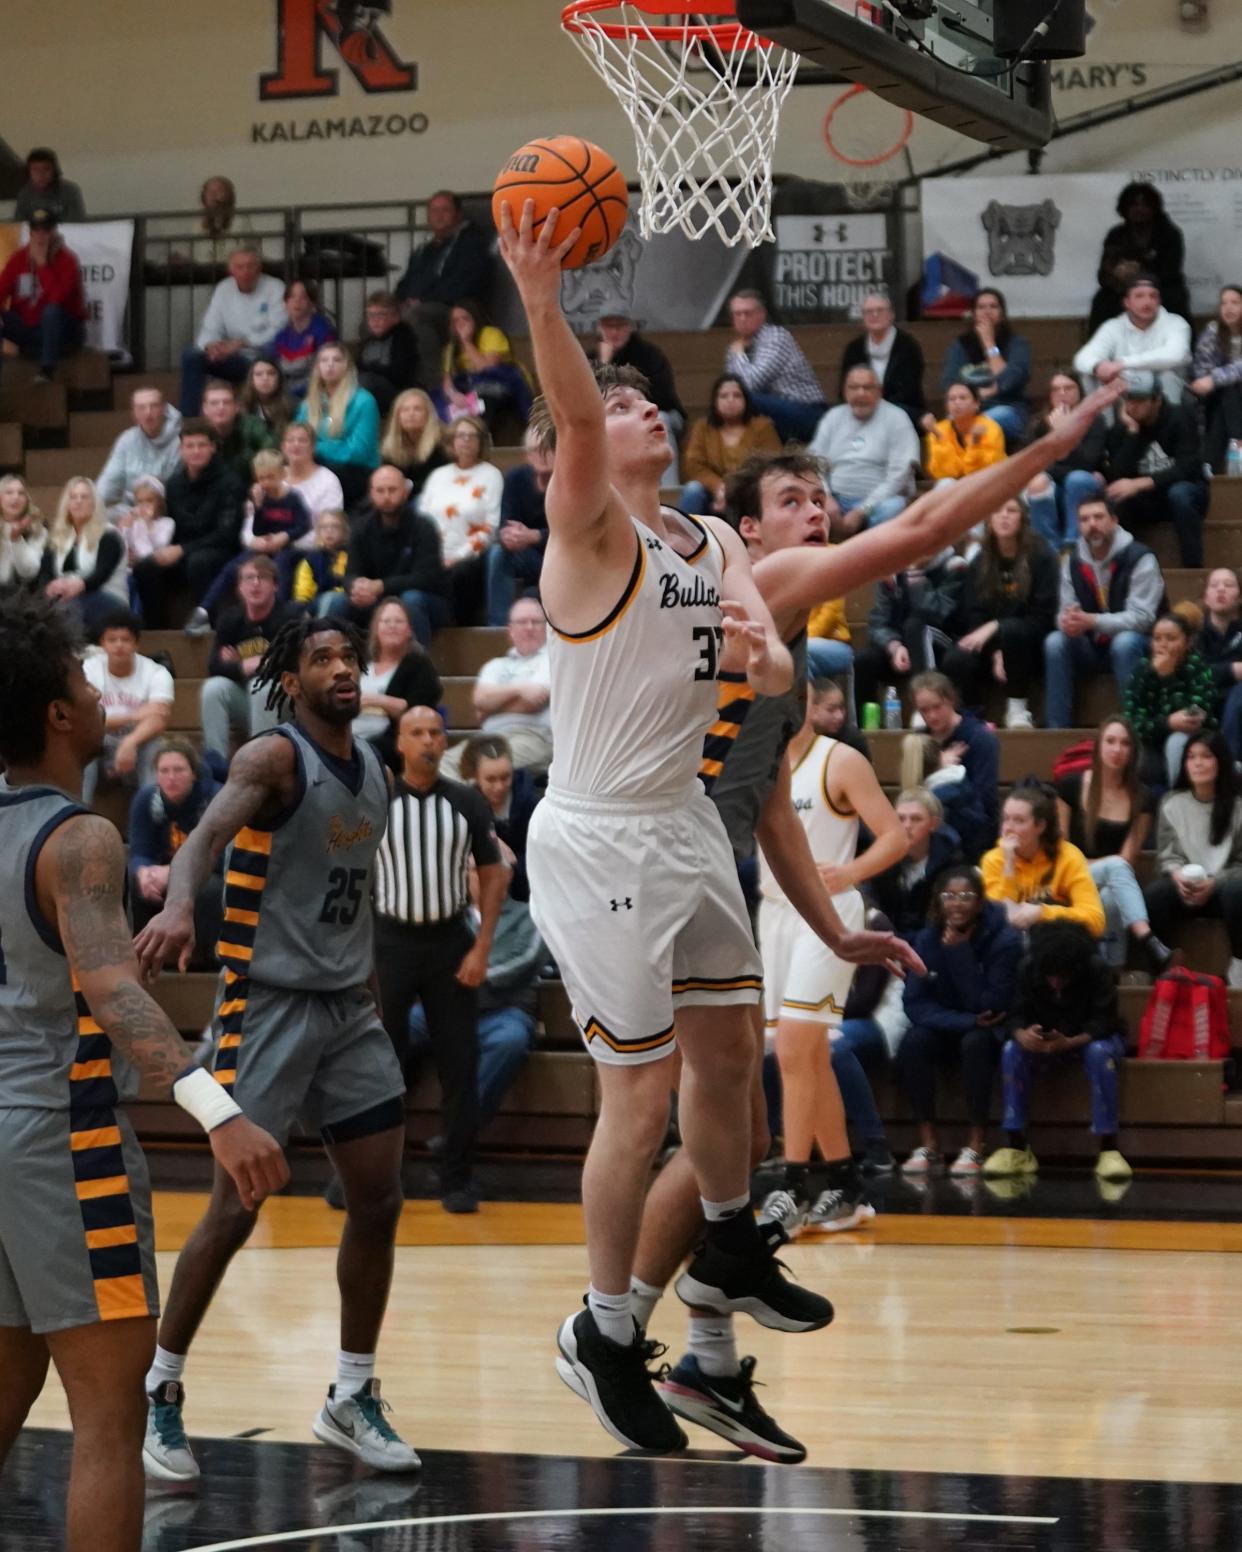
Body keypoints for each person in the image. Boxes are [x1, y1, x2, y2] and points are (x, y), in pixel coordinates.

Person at [636, 423, 1120, 1449]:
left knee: (736, 1138)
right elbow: (926, 521)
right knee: (675, 1126)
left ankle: (705, 1361)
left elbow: (767, 808)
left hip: (702, 875)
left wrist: (838, 931)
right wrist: (1052, 442)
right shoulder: (766, 587)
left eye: (822, 494)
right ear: (753, 530)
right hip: (639, 866)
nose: (816, 509)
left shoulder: (799, 646)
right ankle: (611, 1331)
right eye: (794, 498)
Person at [499, 200, 827, 1459]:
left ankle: (732, 1244)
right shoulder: (586, 532)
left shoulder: (716, 532)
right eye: (616, 405)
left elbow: (778, 663)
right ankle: (597, 1330)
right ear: (562, 461)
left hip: (684, 819)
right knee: (636, 1102)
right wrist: (541, 296)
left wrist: (767, 649)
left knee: (732, 1053)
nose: (637, 408)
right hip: (598, 838)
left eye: (648, 400)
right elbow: (577, 412)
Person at [0, 594, 284, 1552]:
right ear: (55, 714)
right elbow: (114, 993)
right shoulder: (79, 837)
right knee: (111, 1423)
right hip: (62, 1143)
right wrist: (219, 1109)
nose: (97, 697)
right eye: (83, 683)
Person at [136, 617, 421, 1482]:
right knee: (236, 1205)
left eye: (349, 657)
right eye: (322, 659)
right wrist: (181, 905)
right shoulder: (275, 758)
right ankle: (159, 1389)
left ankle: (350, 1393)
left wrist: (365, 976)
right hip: (265, 1006)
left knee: (379, 1197)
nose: (342, 669)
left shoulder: (373, 766)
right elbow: (205, 842)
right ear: (290, 681)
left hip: (346, 1006)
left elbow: (349, 891)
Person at [756, 681, 907, 1236]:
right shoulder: (760, 763)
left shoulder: (838, 760)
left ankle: (794, 1185)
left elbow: (894, 837)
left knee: (796, 1045)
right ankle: (844, 1184)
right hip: (773, 914)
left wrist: (851, 872)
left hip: (827, 914)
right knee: (806, 1054)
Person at [371, 706, 508, 1212]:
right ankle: (374, 1178)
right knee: (380, 1066)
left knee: (461, 1064)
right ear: (400, 744)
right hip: (390, 944)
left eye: (435, 733)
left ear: (445, 743)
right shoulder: (378, 800)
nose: (428, 740)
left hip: (451, 943)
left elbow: (495, 875)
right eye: (418, 733)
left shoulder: (467, 800)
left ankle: (456, 1178)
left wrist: (482, 946)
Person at [898, 864, 1022, 1176]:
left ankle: (976, 1144)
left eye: (966, 896)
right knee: (913, 1042)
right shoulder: (926, 939)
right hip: (952, 1025)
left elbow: (990, 1005)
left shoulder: (1004, 940)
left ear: (980, 902)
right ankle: (929, 1144)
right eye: (949, 896)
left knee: (976, 1044)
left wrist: (960, 953)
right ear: (939, 901)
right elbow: (914, 1003)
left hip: (989, 1034)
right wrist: (965, 1021)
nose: (957, 903)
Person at [984, 921, 1132, 1182]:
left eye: (1063, 977)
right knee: (1010, 1050)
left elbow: (1106, 1021)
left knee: (1100, 1053)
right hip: (1044, 1040)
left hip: (1089, 1039)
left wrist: (1070, 1042)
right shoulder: (1027, 969)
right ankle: (1016, 1145)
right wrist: (1022, 1034)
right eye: (1050, 976)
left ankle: (1109, 1147)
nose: (1056, 983)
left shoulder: (1097, 969)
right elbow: (1014, 1015)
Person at [409, 879, 545, 1135]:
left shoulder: (528, 915)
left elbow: (526, 960)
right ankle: (380, 1128)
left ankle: (459, 1132)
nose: (480, 875)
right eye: (473, 869)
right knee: (397, 1027)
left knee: (510, 1040)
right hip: (445, 1011)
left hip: (503, 1012)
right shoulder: (447, 918)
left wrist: (473, 976)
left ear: (504, 877)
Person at [1055, 715, 1167, 973]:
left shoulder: (1143, 797)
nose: (1117, 750)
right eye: (1111, 741)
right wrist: (1102, 865)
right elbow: (1061, 851)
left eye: (1125, 743)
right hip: (1071, 877)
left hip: (1114, 884)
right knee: (1115, 866)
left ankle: (1109, 969)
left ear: (1133, 751)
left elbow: (1128, 859)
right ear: (1099, 746)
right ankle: (1146, 938)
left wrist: (1104, 867)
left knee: (1110, 895)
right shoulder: (1071, 786)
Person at [1042, 494, 1164, 730]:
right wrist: (1067, 622)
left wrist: (1092, 621)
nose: (1092, 524)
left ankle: (1136, 727)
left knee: (1125, 643)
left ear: (1114, 521)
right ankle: (1056, 728)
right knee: (1055, 641)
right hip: (1090, 645)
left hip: (1140, 644)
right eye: (1084, 519)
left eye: (1098, 517)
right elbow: (1063, 610)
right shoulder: (1072, 560)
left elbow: (1142, 618)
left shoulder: (1140, 557)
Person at [941, 498, 1059, 728]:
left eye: (1011, 510)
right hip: (995, 647)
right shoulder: (981, 561)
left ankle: (1017, 710)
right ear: (989, 520)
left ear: (1022, 518)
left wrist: (997, 627)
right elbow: (973, 615)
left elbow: (1043, 617)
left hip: (1032, 646)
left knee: (1014, 630)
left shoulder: (1041, 556)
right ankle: (974, 718)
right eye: (997, 510)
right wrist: (996, 650)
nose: (1004, 516)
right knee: (956, 658)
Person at [1144, 731, 1242, 986]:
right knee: (1155, 894)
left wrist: (1215, 882)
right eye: (1191, 757)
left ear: (1220, 762)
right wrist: (1177, 875)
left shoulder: (1238, 806)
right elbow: (1167, 855)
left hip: (1223, 890)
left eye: (1206, 756)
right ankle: (1162, 966)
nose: (1197, 763)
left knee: (1237, 892)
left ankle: (1239, 966)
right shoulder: (1171, 802)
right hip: (1186, 888)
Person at [131, 419, 245, 630]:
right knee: (146, 567)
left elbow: (226, 534)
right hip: (182, 553)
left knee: (199, 562)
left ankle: (210, 624)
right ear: (181, 449)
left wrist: (183, 549)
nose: (196, 451)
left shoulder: (230, 482)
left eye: (201, 445)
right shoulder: (174, 485)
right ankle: (157, 631)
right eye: (190, 446)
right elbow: (167, 525)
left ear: (212, 447)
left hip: (220, 552)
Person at [188, 448, 311, 629]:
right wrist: (259, 508)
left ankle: (278, 616)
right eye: (261, 478)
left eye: (271, 477)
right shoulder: (259, 498)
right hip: (264, 546)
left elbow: (304, 525)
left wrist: (284, 537)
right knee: (234, 567)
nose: (266, 483)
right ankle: (204, 610)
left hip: (287, 547)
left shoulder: (293, 497)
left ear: (282, 474)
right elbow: (258, 528)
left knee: (278, 567)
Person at [328, 463, 448, 647]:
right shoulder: (361, 527)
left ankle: (418, 664)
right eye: (380, 491)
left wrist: (381, 586)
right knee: (337, 602)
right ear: (372, 493)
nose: (386, 497)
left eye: (392, 490)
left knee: (411, 599)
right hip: (378, 599)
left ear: (405, 492)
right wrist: (356, 586)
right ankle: (339, 664)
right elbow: (350, 573)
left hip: (426, 601)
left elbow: (427, 577)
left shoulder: (424, 527)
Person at [127, 739, 224, 967]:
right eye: (164, 771)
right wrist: (143, 873)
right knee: (130, 882)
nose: (171, 777)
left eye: (179, 770)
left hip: (209, 874)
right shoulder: (146, 800)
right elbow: (139, 851)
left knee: (210, 890)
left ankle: (202, 960)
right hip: (162, 876)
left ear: (194, 773)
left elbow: (222, 858)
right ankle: (139, 953)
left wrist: (173, 873)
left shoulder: (216, 800)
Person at [1099, 369, 1209, 568]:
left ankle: (1192, 568)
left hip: (1185, 493)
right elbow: (1117, 474)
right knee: (1116, 497)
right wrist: (1133, 433)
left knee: (1180, 494)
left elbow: (1188, 468)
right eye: (1129, 399)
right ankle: (1125, 568)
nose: (1133, 405)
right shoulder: (1123, 427)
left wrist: (1141, 483)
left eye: (1140, 400)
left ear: (1157, 399)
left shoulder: (1179, 417)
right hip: (1148, 501)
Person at [198, 556, 303, 762]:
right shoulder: (230, 618)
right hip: (248, 701)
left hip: (288, 703)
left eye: (262, 577)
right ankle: (216, 764)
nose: (255, 583)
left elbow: (295, 663)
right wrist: (246, 665)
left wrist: (249, 664)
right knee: (213, 688)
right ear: (240, 587)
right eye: (249, 578)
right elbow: (214, 666)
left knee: (260, 685)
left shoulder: (290, 615)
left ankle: (261, 762)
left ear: (275, 586)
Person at [981, 781, 1107, 940]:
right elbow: (997, 923)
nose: (1008, 828)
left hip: (1057, 941)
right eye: (1006, 819)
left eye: (1019, 821)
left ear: (1040, 826)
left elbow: (1095, 921)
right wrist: (1009, 865)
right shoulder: (994, 860)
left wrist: (1043, 913)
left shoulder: (1068, 855)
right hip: (1015, 945)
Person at [443, 595, 551, 778]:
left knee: (483, 768)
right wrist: (519, 690)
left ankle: (473, 805)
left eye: (536, 622)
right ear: (510, 630)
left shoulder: (551, 660)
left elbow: (532, 704)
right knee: (445, 762)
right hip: (490, 738)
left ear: (547, 628)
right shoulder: (495, 666)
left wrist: (491, 708)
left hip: (534, 738)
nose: (529, 627)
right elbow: (479, 701)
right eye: (522, 622)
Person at [851, 552, 967, 719]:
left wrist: (916, 579)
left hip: (942, 640)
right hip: (901, 645)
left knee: (916, 626)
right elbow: (878, 620)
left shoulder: (954, 567)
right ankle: (864, 726)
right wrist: (895, 646)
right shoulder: (893, 569)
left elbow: (940, 613)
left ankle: (924, 705)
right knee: (864, 660)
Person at [807, 365, 920, 535]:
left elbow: (900, 474)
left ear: (879, 391)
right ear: (845, 391)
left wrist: (862, 510)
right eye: (854, 387)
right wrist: (826, 497)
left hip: (880, 502)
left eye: (867, 387)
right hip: (837, 500)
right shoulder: (833, 417)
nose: (861, 393)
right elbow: (815, 462)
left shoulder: (897, 418)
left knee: (893, 508)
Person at [81, 607, 174, 805]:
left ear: (136, 644)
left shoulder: (156, 672)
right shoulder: (90, 668)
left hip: (138, 748)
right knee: (82, 744)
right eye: (112, 640)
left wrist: (129, 742)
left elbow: (158, 719)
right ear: (102, 644)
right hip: (100, 747)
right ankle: (76, 814)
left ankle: (153, 812)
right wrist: (135, 716)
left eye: (125, 639)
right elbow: (87, 720)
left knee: (154, 746)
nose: (119, 646)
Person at [396, 189, 494, 374]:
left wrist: (421, 301)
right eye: (433, 211)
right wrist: (396, 303)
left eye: (445, 210)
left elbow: (464, 284)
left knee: (418, 315)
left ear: (458, 214)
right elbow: (405, 282)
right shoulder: (424, 248)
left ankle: (435, 382)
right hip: (418, 307)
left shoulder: (471, 243)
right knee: (378, 317)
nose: (438, 216)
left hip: (451, 309)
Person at [417, 416, 503, 625]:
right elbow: (421, 520)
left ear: (481, 442)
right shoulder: (438, 475)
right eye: (460, 435)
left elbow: (491, 526)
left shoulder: (491, 475)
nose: (465, 440)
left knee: (460, 574)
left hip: (470, 557)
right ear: (451, 441)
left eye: (472, 436)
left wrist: (459, 556)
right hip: (434, 555)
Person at [179, 247, 286, 415]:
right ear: (230, 270)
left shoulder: (275, 287)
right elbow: (210, 327)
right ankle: (190, 418)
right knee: (192, 355)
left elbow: (278, 330)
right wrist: (211, 347)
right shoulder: (224, 289)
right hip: (231, 358)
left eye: (251, 266)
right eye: (240, 267)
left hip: (261, 358)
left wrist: (241, 343)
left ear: (259, 268)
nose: (246, 272)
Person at [1123, 604, 1218, 789]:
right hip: (1151, 741)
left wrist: (1168, 679)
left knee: (1177, 742)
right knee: (1133, 754)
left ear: (1188, 642)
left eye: (1171, 638)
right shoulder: (1142, 670)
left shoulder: (1197, 668)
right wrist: (1166, 723)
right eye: (1157, 639)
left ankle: (1180, 799)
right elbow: (1133, 720)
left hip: (1192, 740)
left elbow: (1198, 714)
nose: (1162, 645)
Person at [910, 672, 1001, 865]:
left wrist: (945, 776)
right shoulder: (920, 740)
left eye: (937, 707)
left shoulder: (980, 738)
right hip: (927, 832)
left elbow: (984, 801)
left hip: (971, 835)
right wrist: (939, 769)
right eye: (924, 710)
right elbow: (910, 793)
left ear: (951, 700)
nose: (932, 716)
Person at [723, 290, 826, 442]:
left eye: (747, 313)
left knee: (744, 399)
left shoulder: (776, 337)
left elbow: (750, 385)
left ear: (762, 314)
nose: (742, 318)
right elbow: (731, 387)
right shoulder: (735, 347)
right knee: (729, 400)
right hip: (774, 412)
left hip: (806, 411)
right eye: (737, 314)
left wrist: (739, 356)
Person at [1074, 273, 1192, 405]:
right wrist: (1098, 367)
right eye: (1139, 296)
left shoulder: (1176, 323)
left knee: (1168, 377)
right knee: (1091, 375)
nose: (1147, 302)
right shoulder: (1113, 326)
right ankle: (1105, 425)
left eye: (1153, 296)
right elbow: (1082, 358)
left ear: (1159, 301)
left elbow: (1176, 355)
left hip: (1162, 390)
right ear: (1127, 302)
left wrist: (1121, 364)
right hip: (1123, 386)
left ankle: (1167, 425)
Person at [1089, 181, 1191, 333]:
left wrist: (1138, 274)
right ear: (1125, 208)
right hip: (1123, 289)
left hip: (1161, 287)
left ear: (1154, 208)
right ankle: (1099, 351)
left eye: (1145, 205)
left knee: (1174, 299)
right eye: (1134, 205)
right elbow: (1103, 274)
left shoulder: (1169, 233)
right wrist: (1118, 276)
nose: (1139, 209)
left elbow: (1170, 271)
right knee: (1102, 300)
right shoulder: (1116, 234)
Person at [593, 312, 685, 480]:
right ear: (599, 328)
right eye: (609, 326)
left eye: (619, 326)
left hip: (664, 412)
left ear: (630, 326)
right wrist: (604, 364)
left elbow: (663, 396)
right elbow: (590, 402)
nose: (614, 332)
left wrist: (631, 407)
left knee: (660, 419)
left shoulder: (650, 354)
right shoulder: (592, 358)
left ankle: (669, 492)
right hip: (616, 416)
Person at [1023, 372, 1109, 552]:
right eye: (1056, 389)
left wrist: (1066, 432)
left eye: (1068, 388)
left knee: (1078, 479)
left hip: (1081, 484)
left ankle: (1073, 545)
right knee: (1037, 482)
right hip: (1051, 484)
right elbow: (1035, 465)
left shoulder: (1094, 421)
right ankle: (1047, 549)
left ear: (1080, 392)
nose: (1062, 393)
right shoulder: (1038, 424)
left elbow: (1089, 463)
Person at [0, 209, 87, 385]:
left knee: (51, 311)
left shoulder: (67, 260)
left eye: (46, 230)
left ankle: (47, 369)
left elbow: (57, 298)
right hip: (29, 330)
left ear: (54, 232)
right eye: (36, 230)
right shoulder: (18, 259)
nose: (40, 236)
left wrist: (42, 265)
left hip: (64, 332)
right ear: (30, 232)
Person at [869, 787, 964, 944]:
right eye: (900, 818)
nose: (906, 825)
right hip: (886, 942)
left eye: (916, 819)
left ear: (934, 824)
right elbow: (870, 901)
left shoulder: (951, 863)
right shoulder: (881, 857)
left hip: (933, 944)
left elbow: (944, 920)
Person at [938, 288, 1031, 445]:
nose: (987, 311)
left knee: (987, 420)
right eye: (981, 307)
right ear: (973, 314)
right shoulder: (961, 345)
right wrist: (984, 393)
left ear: (1002, 313)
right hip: (969, 409)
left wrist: (989, 343)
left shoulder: (1017, 343)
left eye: (993, 306)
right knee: (944, 427)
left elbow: (1009, 382)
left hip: (1009, 409)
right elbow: (949, 383)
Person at [680, 374, 781, 519]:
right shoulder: (703, 427)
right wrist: (719, 488)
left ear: (746, 400)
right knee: (692, 490)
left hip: (750, 490)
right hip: (712, 493)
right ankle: (686, 537)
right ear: (715, 401)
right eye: (724, 396)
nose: (730, 400)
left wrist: (735, 490)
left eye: (737, 395)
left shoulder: (762, 426)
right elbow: (693, 465)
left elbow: (771, 464)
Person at [295, 343, 381, 508]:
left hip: (355, 474)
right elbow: (296, 440)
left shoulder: (364, 401)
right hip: (316, 468)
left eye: (337, 360)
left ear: (346, 366)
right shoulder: (308, 404)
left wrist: (315, 448)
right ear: (317, 367)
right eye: (324, 360)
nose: (330, 365)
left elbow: (358, 452)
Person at [40, 477, 129, 633]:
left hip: (108, 599)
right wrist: (50, 587)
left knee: (71, 605)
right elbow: (45, 573)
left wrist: (78, 585)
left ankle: (74, 649)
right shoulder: (57, 537)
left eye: (84, 497)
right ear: (67, 504)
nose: (78, 501)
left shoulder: (109, 535)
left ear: (94, 503)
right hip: (67, 599)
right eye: (73, 497)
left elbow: (101, 574)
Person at [459, 733, 540, 901]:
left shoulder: (531, 803)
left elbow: (541, 857)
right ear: (475, 776)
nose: (499, 787)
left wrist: (510, 866)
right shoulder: (467, 805)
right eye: (490, 779)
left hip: (527, 890)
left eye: (505, 777)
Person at [353, 598, 443, 748]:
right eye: (386, 621)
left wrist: (375, 700)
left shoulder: (419, 666)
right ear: (376, 628)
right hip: (347, 738)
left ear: (409, 630)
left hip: (389, 745)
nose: (392, 626)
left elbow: (417, 711)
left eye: (398, 621)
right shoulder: (360, 661)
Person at [486, 426, 553, 626]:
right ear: (526, 455)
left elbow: (577, 533)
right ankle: (498, 627)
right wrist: (509, 535)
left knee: (532, 593)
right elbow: (505, 522)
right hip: (526, 554)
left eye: (547, 448)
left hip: (563, 558)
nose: (541, 455)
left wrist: (535, 536)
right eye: (534, 450)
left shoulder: (571, 480)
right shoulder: (515, 478)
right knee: (498, 553)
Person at [900, 733, 990, 872]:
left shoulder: (939, 802)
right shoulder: (957, 784)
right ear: (940, 757)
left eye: (915, 819)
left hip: (954, 874)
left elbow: (944, 852)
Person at [439, 299, 532, 429]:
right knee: (439, 403)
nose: (460, 324)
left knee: (483, 399)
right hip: (467, 386)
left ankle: (480, 437)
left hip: (499, 382)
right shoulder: (450, 348)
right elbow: (447, 380)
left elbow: (486, 368)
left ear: (475, 319)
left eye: (465, 319)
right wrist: (453, 395)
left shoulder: (491, 334)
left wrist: (467, 342)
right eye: (455, 321)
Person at [838, 292, 925, 427]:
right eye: (869, 311)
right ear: (863, 318)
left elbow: (908, 391)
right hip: (861, 409)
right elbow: (844, 388)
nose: (875, 315)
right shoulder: (854, 349)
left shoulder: (908, 346)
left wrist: (875, 407)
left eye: (880, 310)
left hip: (901, 409)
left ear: (891, 315)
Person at [97, 388, 184, 510]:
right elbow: (110, 480)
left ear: (164, 409)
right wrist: (92, 506)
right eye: (141, 408)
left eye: (154, 406)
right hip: (132, 508)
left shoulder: (181, 440)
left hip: (170, 508)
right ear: (134, 413)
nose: (148, 412)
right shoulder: (126, 439)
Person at [1190, 285, 1242, 473]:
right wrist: (1217, 380)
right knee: (1226, 394)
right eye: (1223, 303)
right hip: (1216, 400)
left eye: (1235, 303)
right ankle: (1237, 449)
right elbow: (1201, 373)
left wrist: (1217, 378)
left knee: (1229, 390)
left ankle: (1211, 464)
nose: (1228, 308)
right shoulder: (1212, 332)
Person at [922, 382, 1006, 483]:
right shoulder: (939, 429)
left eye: (962, 398)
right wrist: (939, 436)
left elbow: (985, 471)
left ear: (976, 403)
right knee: (946, 483)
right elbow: (943, 473)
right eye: (952, 399)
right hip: (957, 486)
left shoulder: (990, 428)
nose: (957, 402)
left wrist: (975, 443)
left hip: (989, 483)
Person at [1199, 567, 1242, 761]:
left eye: (1229, 585)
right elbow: (1193, 676)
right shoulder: (1193, 634)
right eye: (1214, 585)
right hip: (1203, 708)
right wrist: (1231, 670)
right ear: (1206, 597)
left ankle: (1230, 765)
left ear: (1239, 597)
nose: (1221, 589)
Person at [201, 379, 277, 487]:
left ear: (236, 407)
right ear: (205, 408)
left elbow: (272, 453)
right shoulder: (198, 433)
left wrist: (260, 483)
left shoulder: (252, 426)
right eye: (214, 403)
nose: (221, 407)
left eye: (226, 402)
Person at [356, 291, 421, 415]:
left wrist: (372, 368)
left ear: (395, 317)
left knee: (365, 380)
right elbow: (358, 367)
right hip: (370, 389)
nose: (374, 320)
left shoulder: (403, 336)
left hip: (397, 393)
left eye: (381, 315)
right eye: (370, 315)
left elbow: (399, 374)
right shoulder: (368, 341)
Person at [272, 278, 337, 401]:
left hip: (315, 390)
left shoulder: (324, 331)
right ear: (285, 304)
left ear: (312, 304)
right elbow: (275, 368)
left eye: (303, 297)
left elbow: (323, 372)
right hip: (287, 389)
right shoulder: (281, 336)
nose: (297, 302)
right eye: (292, 297)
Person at [380, 388, 449, 498]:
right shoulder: (390, 446)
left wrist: (408, 486)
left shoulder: (442, 442)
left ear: (428, 414)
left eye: (417, 409)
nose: (411, 414)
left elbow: (440, 482)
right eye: (405, 410)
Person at [280, 420, 344, 534]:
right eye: (290, 440)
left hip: (311, 549)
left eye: (302, 440)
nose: (296, 445)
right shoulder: (272, 477)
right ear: (283, 447)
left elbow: (329, 531)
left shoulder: (328, 480)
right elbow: (251, 524)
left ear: (313, 447)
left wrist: (286, 539)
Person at [293, 508, 350, 616]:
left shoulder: (352, 556)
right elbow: (303, 595)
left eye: (335, 527)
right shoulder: (310, 561)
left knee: (333, 599)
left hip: (346, 602)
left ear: (344, 531)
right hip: (317, 604)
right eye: (324, 527)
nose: (329, 531)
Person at [0, 475, 47, 596]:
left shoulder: (38, 529)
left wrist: (16, 539)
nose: (15, 497)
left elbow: (29, 573)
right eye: (9, 492)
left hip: (26, 599)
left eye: (21, 493)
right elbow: (3, 576)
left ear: (27, 500)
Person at [13, 146, 86, 224]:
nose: (41, 174)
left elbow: (77, 225)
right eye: (35, 169)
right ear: (28, 172)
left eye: (46, 169)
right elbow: (19, 225)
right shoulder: (24, 194)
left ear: (55, 171)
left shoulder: (70, 191)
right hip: (35, 235)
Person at [238, 354, 293, 442]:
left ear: (279, 378)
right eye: (259, 374)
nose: (265, 378)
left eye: (271, 373)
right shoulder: (241, 407)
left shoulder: (292, 406)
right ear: (251, 380)